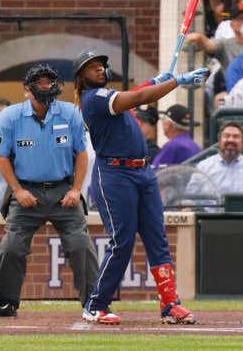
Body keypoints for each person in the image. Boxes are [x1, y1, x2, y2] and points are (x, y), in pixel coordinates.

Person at [74, 49, 208, 324]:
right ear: (81, 77)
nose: (99, 69)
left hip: (142, 172)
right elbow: (137, 97)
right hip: (115, 173)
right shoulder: (92, 99)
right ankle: (96, 305)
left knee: (156, 238)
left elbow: (134, 95)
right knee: (122, 241)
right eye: (92, 67)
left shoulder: (107, 95)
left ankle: (170, 304)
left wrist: (156, 81)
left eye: (101, 64)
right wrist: (176, 82)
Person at [0, 63, 99, 318]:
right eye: (40, 81)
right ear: (27, 89)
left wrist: (76, 189)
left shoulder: (70, 113)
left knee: (81, 245)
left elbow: (82, 154)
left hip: (63, 191)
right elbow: (2, 158)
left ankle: (94, 302)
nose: (46, 85)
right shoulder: (9, 117)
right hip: (26, 192)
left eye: (50, 81)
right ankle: (6, 302)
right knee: (11, 246)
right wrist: (16, 189)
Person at [194, 122, 243, 195]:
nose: (231, 140)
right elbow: (190, 198)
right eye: (226, 136)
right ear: (219, 141)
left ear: (242, 143)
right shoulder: (203, 167)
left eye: (236, 136)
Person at [152, 104, 201, 169]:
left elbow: (155, 172)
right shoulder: (195, 146)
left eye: (163, 120)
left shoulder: (172, 146)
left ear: (168, 124)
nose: (162, 123)